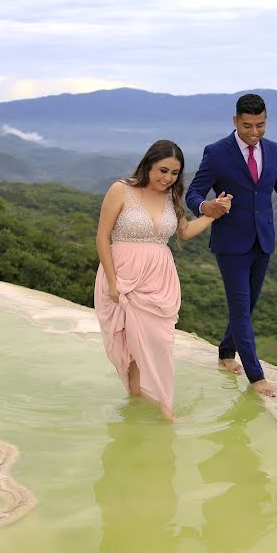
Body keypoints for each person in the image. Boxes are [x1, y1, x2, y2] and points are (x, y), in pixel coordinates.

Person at [185, 94, 277, 398]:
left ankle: (225, 352)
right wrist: (205, 206)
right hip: (231, 243)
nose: (254, 132)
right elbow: (193, 192)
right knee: (239, 307)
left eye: (260, 125)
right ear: (235, 121)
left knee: (247, 306)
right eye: (247, 125)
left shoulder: (273, 151)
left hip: (264, 240)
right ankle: (255, 373)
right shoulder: (217, 152)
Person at [94, 139, 231, 420]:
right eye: (163, 170)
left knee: (160, 340)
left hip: (159, 280)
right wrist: (112, 282)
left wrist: (214, 213)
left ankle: (165, 407)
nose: (168, 178)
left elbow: (185, 231)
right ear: (149, 165)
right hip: (122, 275)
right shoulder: (121, 190)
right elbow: (102, 236)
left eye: (174, 173)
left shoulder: (171, 198)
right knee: (129, 343)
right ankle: (136, 397)